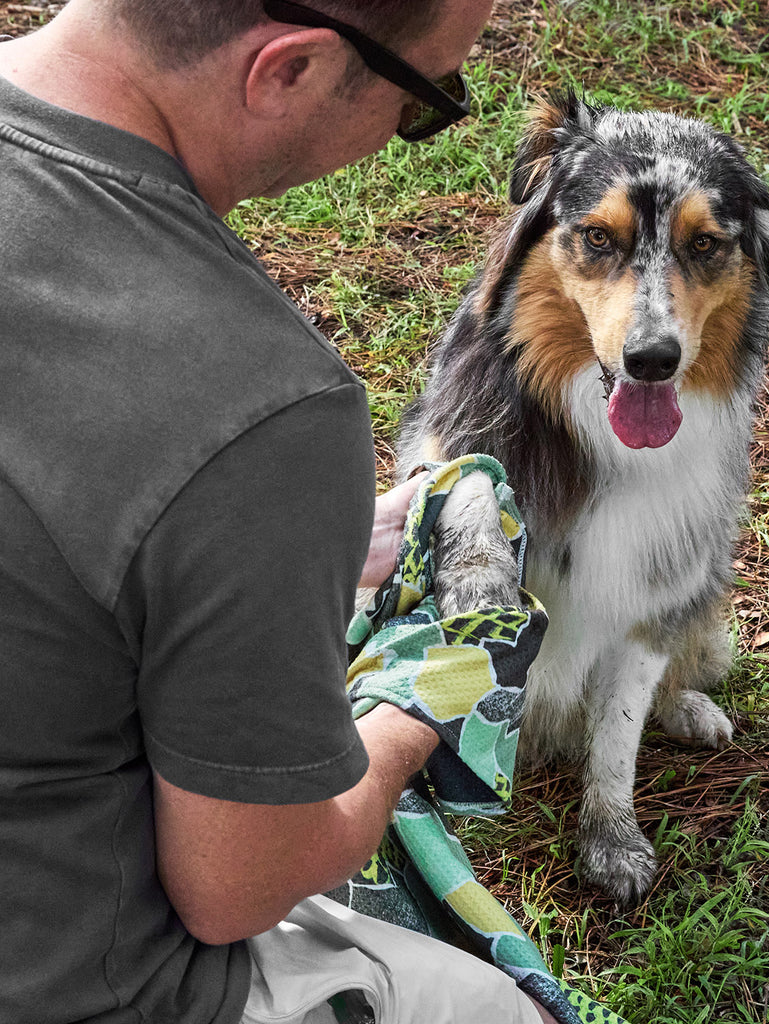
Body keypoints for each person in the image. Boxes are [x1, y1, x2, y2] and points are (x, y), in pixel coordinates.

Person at [0, 1, 555, 1022]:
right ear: (288, 70)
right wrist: (409, 713)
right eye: (424, 100)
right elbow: (236, 887)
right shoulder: (256, 405)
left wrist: (267, 558)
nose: (405, 132)